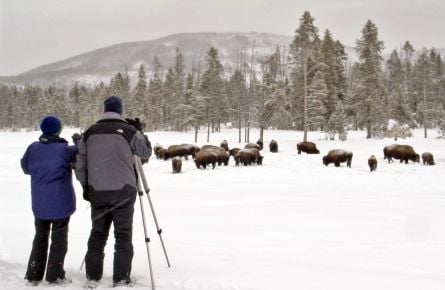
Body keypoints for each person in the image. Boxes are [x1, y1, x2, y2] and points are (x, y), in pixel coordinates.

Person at [75, 96, 152, 287]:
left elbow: (80, 165)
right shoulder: (128, 130)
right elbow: (146, 151)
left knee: (98, 234)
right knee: (123, 235)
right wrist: (140, 132)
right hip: (124, 192)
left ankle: (92, 277)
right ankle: (121, 278)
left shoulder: (90, 132)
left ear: (105, 110)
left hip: (97, 192)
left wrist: (87, 186)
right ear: (120, 111)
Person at [21, 116, 78, 286]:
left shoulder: (32, 148)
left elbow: (25, 168)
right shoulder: (63, 150)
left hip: (40, 203)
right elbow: (78, 152)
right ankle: (55, 275)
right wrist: (78, 141)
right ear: (58, 130)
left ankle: (33, 274)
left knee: (40, 236)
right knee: (59, 239)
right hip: (60, 203)